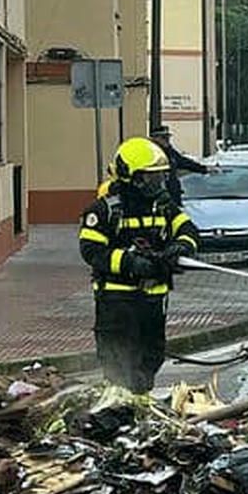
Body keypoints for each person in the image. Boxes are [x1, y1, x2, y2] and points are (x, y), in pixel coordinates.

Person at [79, 137, 200, 392]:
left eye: (160, 177)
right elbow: (92, 251)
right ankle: (121, 407)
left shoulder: (163, 206)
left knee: (151, 357)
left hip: (153, 301)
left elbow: (188, 229)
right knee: (119, 361)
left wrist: (181, 247)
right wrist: (132, 263)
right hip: (117, 302)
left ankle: (140, 404)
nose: (158, 183)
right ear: (130, 176)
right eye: (151, 177)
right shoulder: (105, 211)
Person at [148, 124, 210, 205]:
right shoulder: (150, 153)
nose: (167, 140)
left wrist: (203, 169)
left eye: (168, 138)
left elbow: (184, 162)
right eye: (163, 137)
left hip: (173, 194)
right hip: (158, 195)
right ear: (154, 138)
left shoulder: (170, 152)